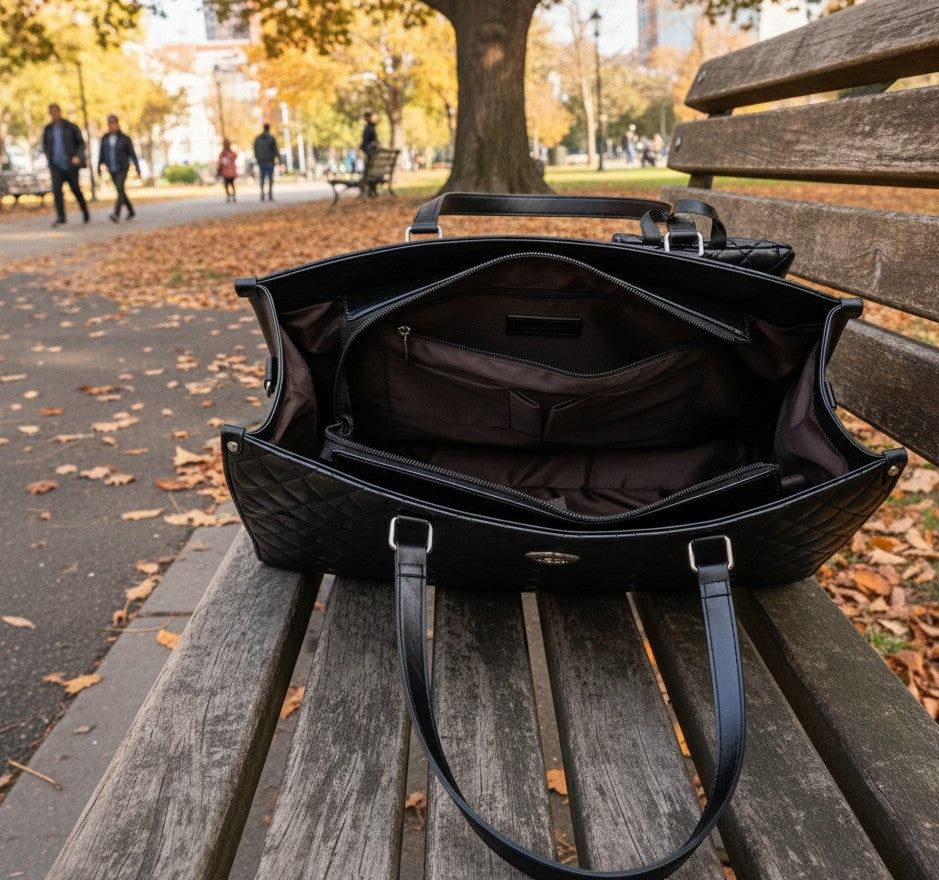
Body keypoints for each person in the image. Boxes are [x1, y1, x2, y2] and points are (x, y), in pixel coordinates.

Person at [42, 103, 89, 227]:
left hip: (70, 165)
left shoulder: (70, 127)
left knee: (75, 190)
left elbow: (81, 144)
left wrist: (77, 156)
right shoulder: (48, 129)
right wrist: (49, 159)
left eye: (55, 111)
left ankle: (85, 211)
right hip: (55, 166)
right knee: (57, 191)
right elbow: (45, 146)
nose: (54, 114)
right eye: (51, 112)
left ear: (59, 112)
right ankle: (61, 217)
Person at [97, 114, 141, 222]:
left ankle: (116, 214)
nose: (112, 126)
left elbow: (132, 154)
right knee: (120, 190)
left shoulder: (124, 138)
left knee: (120, 188)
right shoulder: (105, 138)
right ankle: (131, 211)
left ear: (117, 124)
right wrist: (99, 166)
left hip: (123, 167)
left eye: (114, 123)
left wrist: (137, 168)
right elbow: (101, 154)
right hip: (112, 168)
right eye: (110, 124)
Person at [253, 123, 279, 201]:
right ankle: (270, 194)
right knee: (270, 178)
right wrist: (278, 158)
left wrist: (257, 158)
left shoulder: (258, 139)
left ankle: (262, 194)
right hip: (270, 160)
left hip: (261, 161)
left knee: (262, 178)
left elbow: (255, 149)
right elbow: (275, 150)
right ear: (269, 128)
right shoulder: (271, 138)